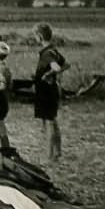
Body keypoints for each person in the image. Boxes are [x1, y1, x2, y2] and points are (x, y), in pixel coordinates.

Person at [33, 23, 70, 162]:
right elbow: (66, 65)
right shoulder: (53, 50)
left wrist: (48, 74)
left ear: (40, 36)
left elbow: (56, 67)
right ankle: (57, 152)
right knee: (53, 121)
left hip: (45, 91)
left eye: (36, 35)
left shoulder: (47, 53)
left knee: (48, 123)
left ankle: (49, 156)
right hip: (52, 89)